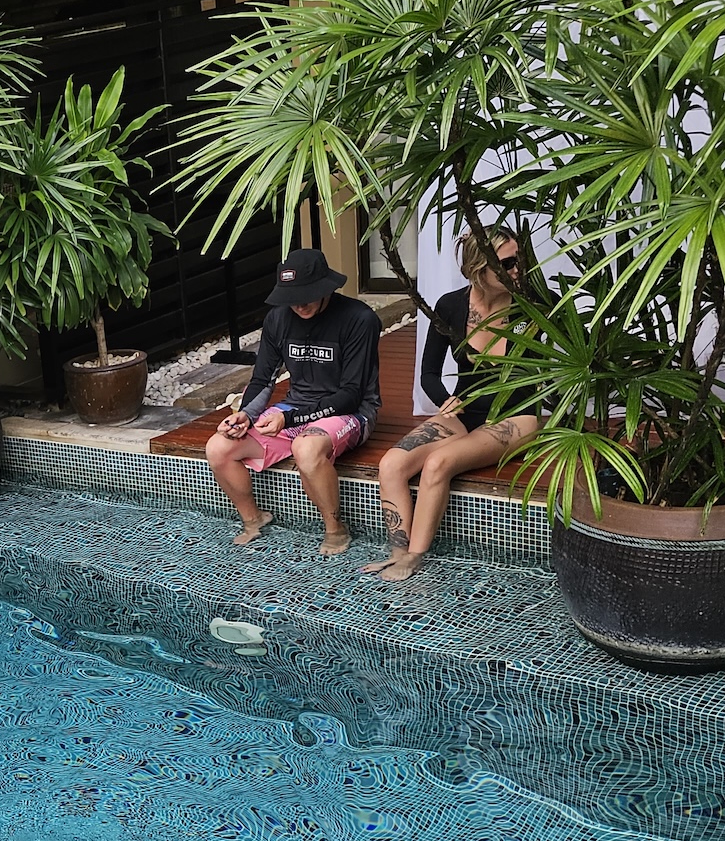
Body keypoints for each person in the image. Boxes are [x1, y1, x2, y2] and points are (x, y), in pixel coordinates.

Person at [362, 228, 544, 582]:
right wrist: (444, 400)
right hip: (466, 410)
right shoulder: (451, 305)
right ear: (479, 268)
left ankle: (414, 556)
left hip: (516, 416)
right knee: (392, 464)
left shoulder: (532, 305)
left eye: (519, 260)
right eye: (508, 263)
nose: (518, 269)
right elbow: (429, 373)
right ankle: (397, 550)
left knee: (438, 463)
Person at [205, 248, 382, 555]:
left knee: (306, 447)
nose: (299, 304)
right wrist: (245, 415)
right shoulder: (277, 319)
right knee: (218, 447)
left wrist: (289, 419)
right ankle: (253, 519)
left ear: (326, 288)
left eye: (307, 295)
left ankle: (335, 528)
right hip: (295, 408)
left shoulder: (359, 319)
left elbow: (351, 395)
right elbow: (263, 379)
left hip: (352, 412)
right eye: (292, 297)